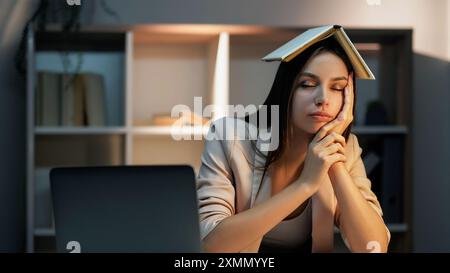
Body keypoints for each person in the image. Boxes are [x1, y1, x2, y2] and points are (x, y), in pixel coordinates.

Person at [196, 32, 391, 253]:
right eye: (307, 84)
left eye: (337, 88)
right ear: (286, 87)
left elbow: (372, 248)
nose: (323, 99)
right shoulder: (228, 137)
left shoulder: (347, 147)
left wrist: (334, 164)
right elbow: (210, 246)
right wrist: (305, 184)